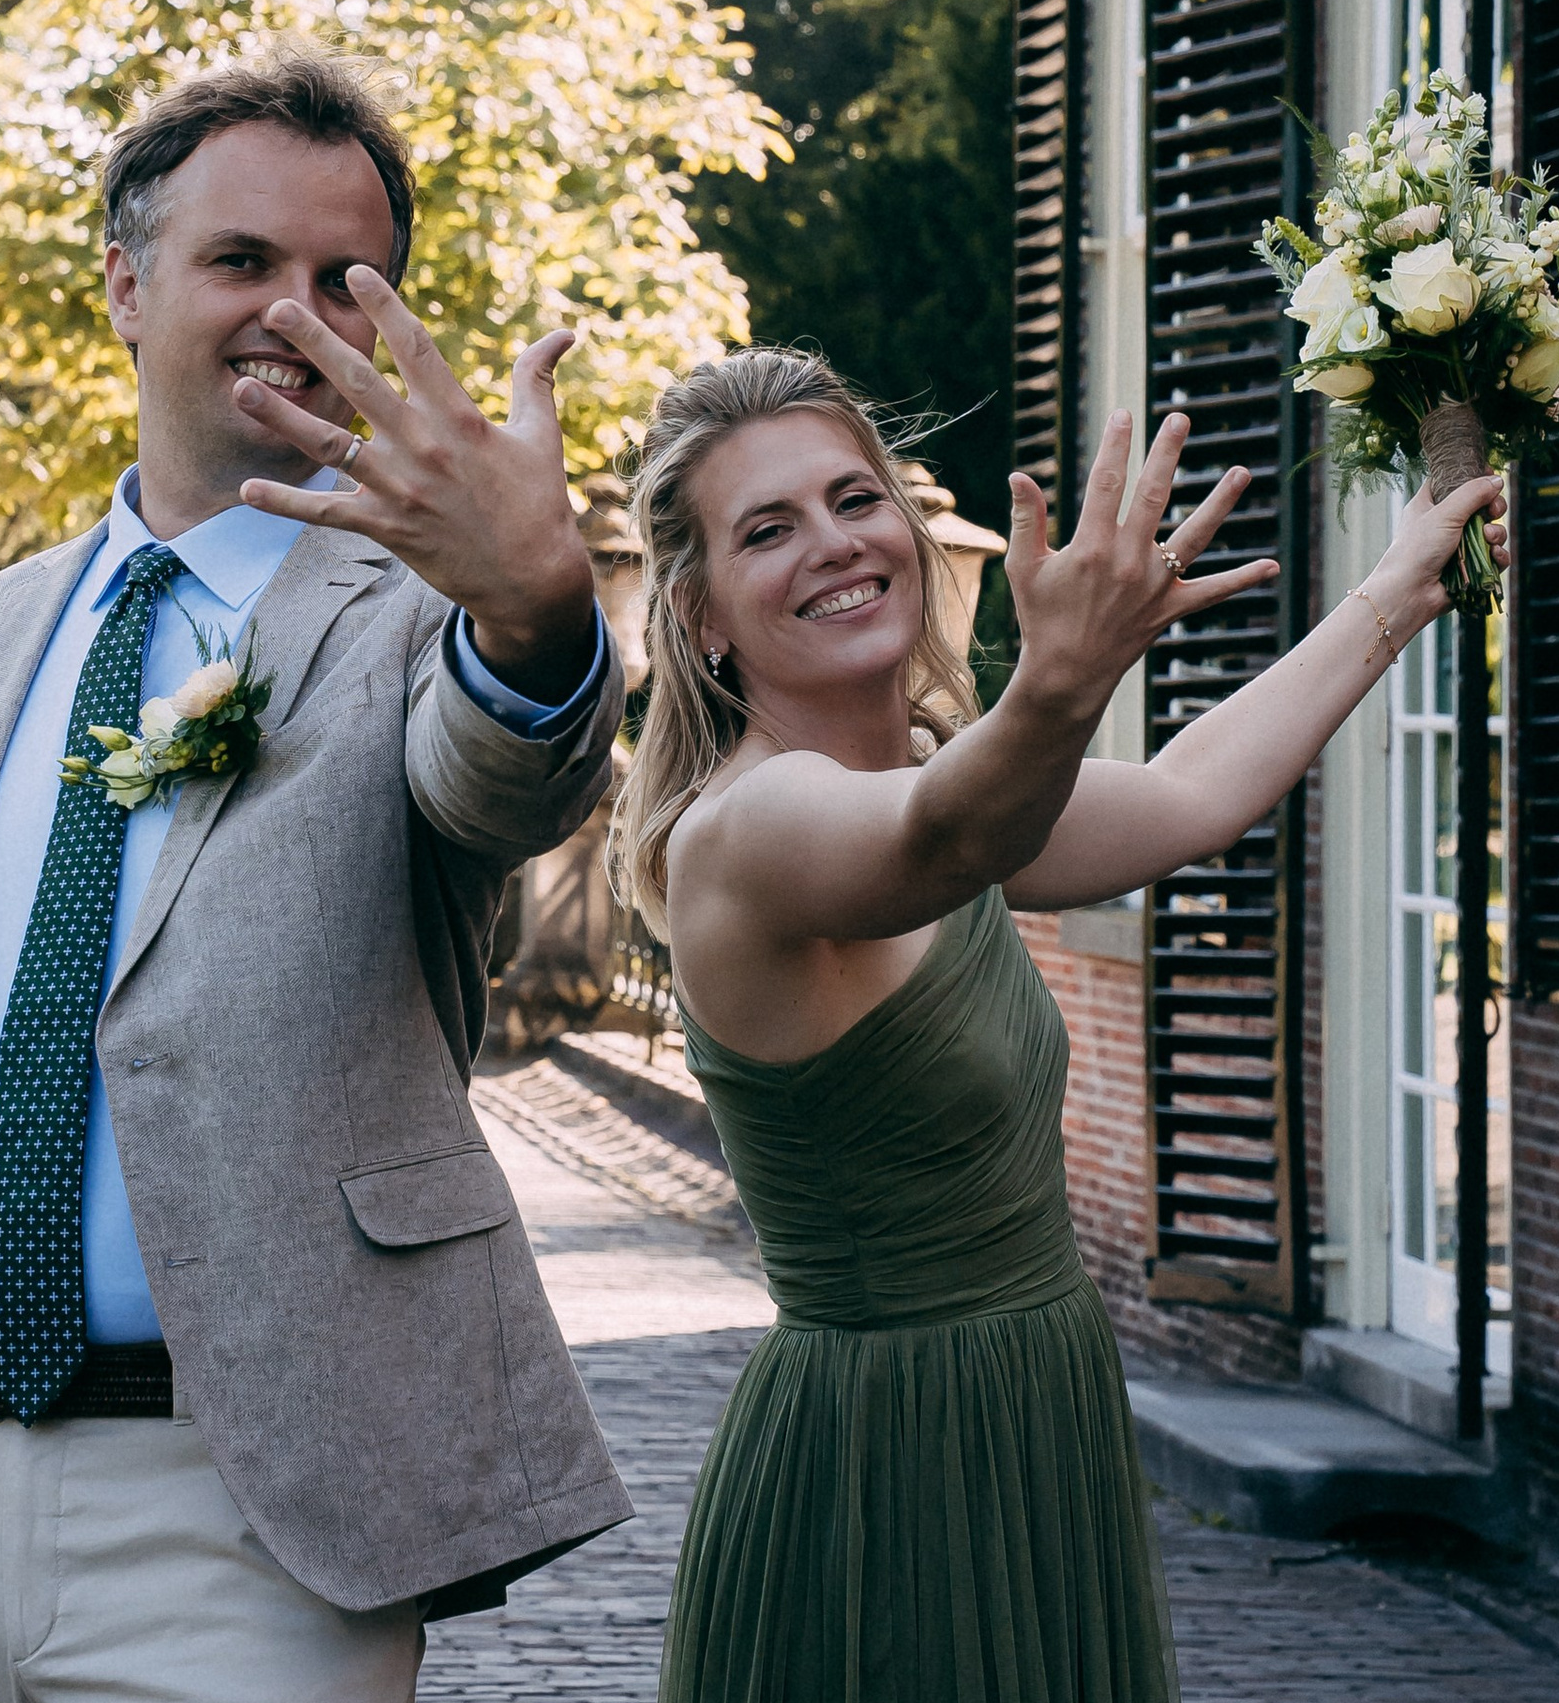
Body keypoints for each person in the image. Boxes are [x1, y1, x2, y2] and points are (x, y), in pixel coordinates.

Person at [0, 50, 633, 1703]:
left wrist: (536, 612)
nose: (293, 312)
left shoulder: (418, 630)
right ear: (125, 287)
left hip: (257, 1533)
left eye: (345, 280)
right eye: (242, 260)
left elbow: (508, 770)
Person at [607, 347, 1507, 1703]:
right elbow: (946, 834)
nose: (835, 545)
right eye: (768, 530)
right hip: (881, 1462)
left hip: (1039, 1418)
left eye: (855, 499)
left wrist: (1401, 587)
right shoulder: (749, 829)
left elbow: (1191, 796)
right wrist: (1062, 676)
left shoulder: (931, 770)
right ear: (702, 613)